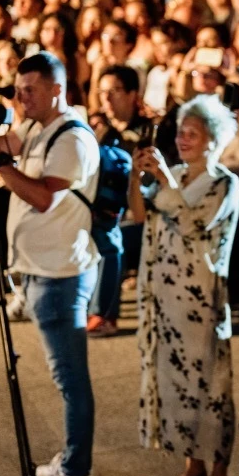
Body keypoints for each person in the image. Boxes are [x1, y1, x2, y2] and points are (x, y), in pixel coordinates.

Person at [0, 51, 100, 476]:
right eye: (18, 88)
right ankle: (71, 459)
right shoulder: (36, 128)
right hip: (40, 269)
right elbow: (7, 144)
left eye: (30, 89)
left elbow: (43, 198)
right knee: (63, 374)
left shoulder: (73, 139)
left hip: (62, 272)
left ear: (56, 90)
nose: (20, 97)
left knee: (70, 379)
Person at [128, 95, 239, 476]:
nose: (184, 138)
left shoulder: (224, 183)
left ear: (214, 140)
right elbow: (140, 216)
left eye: (193, 132)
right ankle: (191, 468)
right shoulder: (170, 174)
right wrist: (138, 176)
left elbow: (195, 225)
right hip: (163, 297)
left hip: (201, 301)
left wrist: (166, 184)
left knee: (210, 388)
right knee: (175, 384)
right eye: (181, 131)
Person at [87, 64, 153, 339]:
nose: (107, 99)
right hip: (105, 208)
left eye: (114, 91)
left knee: (113, 237)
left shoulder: (151, 131)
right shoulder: (100, 131)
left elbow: (151, 184)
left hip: (142, 212)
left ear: (132, 94)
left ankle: (104, 314)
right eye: (102, 93)